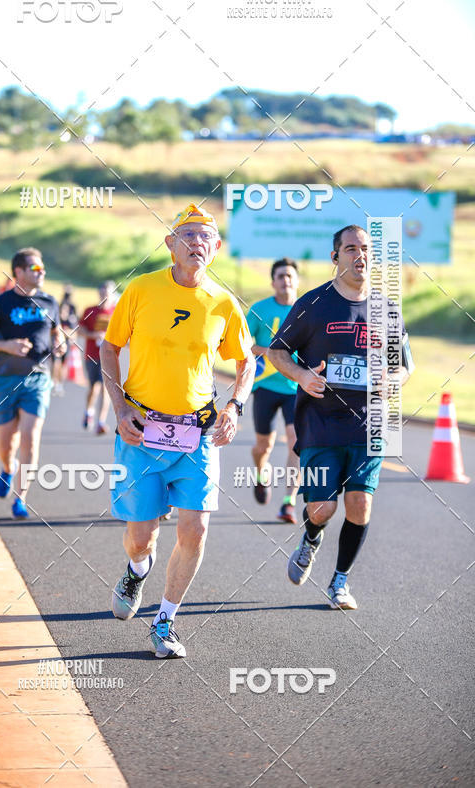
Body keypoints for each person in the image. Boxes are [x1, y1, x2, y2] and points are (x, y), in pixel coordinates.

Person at [100, 203, 255, 658]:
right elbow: (109, 349)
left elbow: (246, 361)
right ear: (170, 244)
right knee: (140, 536)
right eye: (186, 235)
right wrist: (119, 408)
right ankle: (136, 568)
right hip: (142, 429)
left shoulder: (223, 303)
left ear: (217, 248)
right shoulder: (141, 290)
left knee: (195, 530)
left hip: (198, 433)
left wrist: (236, 406)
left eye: (204, 237)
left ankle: (165, 620)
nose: (196, 243)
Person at [269, 225, 414, 610]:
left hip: (369, 424)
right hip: (321, 421)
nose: (359, 255)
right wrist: (301, 375)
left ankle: (340, 581)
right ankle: (312, 535)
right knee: (322, 508)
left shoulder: (386, 310)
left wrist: (392, 379)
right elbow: (277, 351)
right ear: (336, 258)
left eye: (365, 248)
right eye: (350, 249)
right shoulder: (313, 304)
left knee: (360, 505)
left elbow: (405, 366)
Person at [0, 248, 64, 519]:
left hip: (38, 378)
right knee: (7, 443)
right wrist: (6, 345)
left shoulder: (50, 302)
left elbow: (56, 330)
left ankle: (21, 498)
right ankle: (7, 467)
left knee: (30, 435)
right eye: (35, 269)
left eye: (42, 269)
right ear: (18, 271)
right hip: (3, 380)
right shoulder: (0, 304)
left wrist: (59, 343)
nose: (42, 273)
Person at [246, 258, 300, 521]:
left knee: (295, 442)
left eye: (290, 276)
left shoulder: (308, 309)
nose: (286, 280)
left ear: (296, 280)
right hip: (266, 385)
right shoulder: (259, 309)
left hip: (295, 387)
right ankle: (260, 473)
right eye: (281, 276)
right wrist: (271, 352)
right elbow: (242, 344)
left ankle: (288, 501)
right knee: (263, 446)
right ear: (273, 282)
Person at [79, 281, 117, 434]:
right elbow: (80, 330)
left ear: (112, 294)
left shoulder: (117, 311)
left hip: (109, 357)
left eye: (107, 292)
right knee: (93, 387)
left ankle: (101, 422)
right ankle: (89, 412)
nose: (104, 295)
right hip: (92, 355)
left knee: (105, 389)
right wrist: (93, 335)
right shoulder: (90, 310)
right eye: (102, 292)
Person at [52, 286, 78, 396]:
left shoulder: (71, 316)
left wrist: (66, 333)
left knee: (63, 365)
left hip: (65, 344)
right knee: (55, 363)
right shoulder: (57, 316)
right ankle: (54, 382)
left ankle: (60, 384)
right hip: (56, 343)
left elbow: (74, 333)